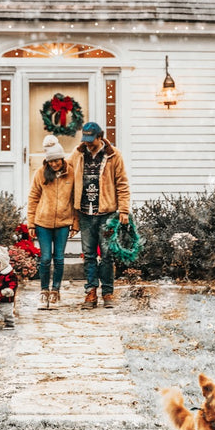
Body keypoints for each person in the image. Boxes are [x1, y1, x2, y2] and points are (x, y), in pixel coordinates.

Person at [69, 120, 131, 310]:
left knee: (106, 255)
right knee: (88, 255)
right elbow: (67, 179)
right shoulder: (78, 155)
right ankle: (91, 292)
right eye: (85, 139)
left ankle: (108, 292)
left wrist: (124, 210)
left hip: (107, 213)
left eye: (91, 139)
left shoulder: (114, 155)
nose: (87, 143)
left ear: (100, 137)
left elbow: (122, 183)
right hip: (85, 213)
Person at [27, 134, 79, 310]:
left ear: (62, 158)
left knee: (59, 258)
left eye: (57, 160)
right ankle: (44, 292)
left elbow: (75, 198)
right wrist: (31, 223)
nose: (55, 164)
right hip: (43, 223)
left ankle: (55, 292)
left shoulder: (71, 172)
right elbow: (33, 197)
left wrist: (75, 222)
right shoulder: (40, 173)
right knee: (45, 258)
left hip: (64, 222)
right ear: (47, 161)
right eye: (51, 161)